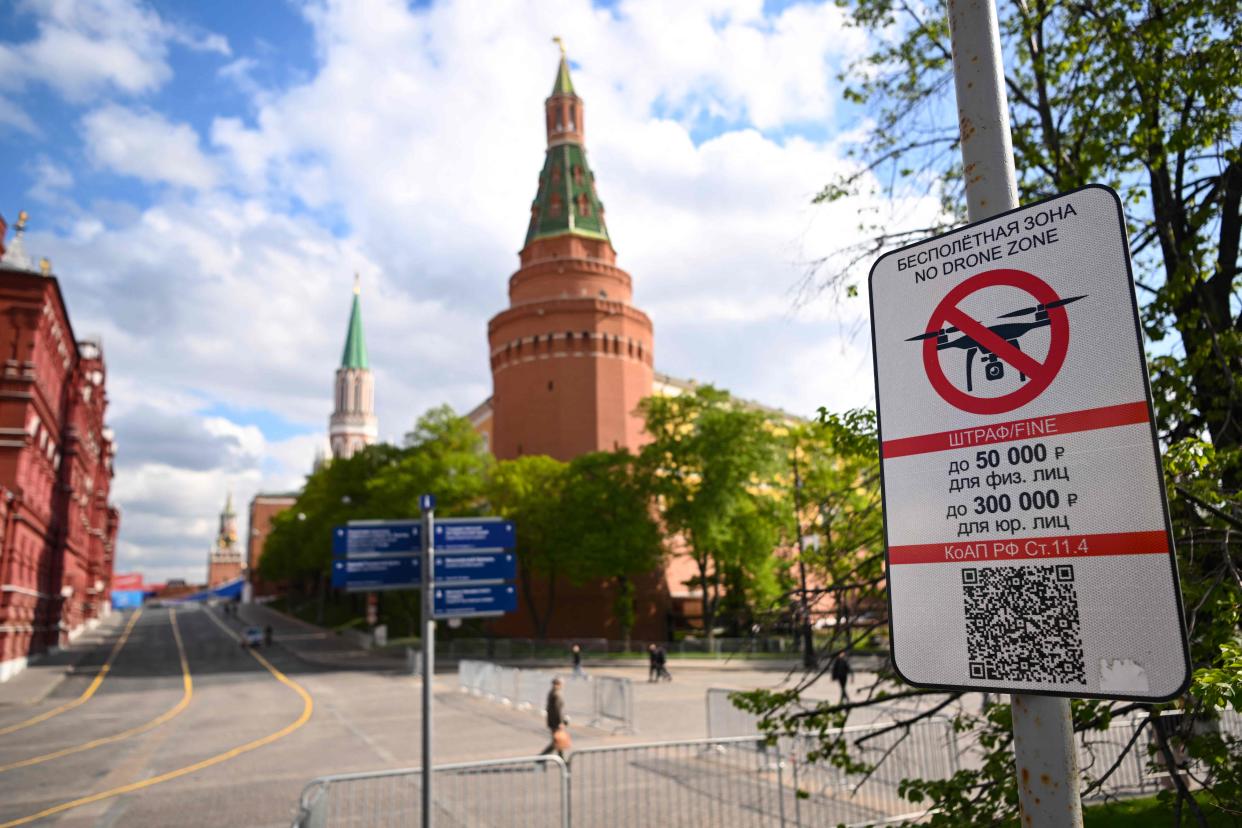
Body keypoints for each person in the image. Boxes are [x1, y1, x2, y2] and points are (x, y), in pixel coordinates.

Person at [540, 678, 569, 758]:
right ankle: (541, 757)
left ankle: (561, 760)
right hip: (556, 722)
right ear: (559, 684)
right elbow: (558, 710)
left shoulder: (551, 693)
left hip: (552, 721)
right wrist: (561, 722)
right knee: (556, 741)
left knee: (558, 740)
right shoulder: (557, 694)